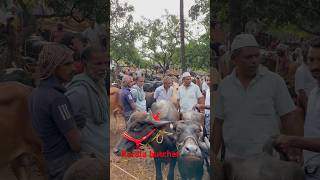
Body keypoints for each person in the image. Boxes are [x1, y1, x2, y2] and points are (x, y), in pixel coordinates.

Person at [213, 34, 302, 163]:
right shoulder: (225, 85)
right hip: (233, 163)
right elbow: (219, 123)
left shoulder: (274, 81)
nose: (254, 60)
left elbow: (289, 118)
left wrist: (296, 151)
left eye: (256, 56)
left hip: (269, 162)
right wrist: (213, 157)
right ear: (234, 59)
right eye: (248, 57)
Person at [29, 44, 82, 179]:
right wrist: (77, 125)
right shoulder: (57, 99)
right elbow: (76, 145)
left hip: (49, 158)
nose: (74, 69)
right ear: (54, 66)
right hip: (64, 162)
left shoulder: (35, 93)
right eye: (67, 64)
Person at [274, 38, 320, 180]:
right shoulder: (313, 94)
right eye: (311, 60)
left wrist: (292, 141)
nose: (315, 66)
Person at [65, 46, 108, 159]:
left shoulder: (100, 85)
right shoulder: (78, 91)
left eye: (106, 63)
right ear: (85, 63)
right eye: (98, 64)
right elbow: (66, 126)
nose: (104, 68)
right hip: (90, 156)